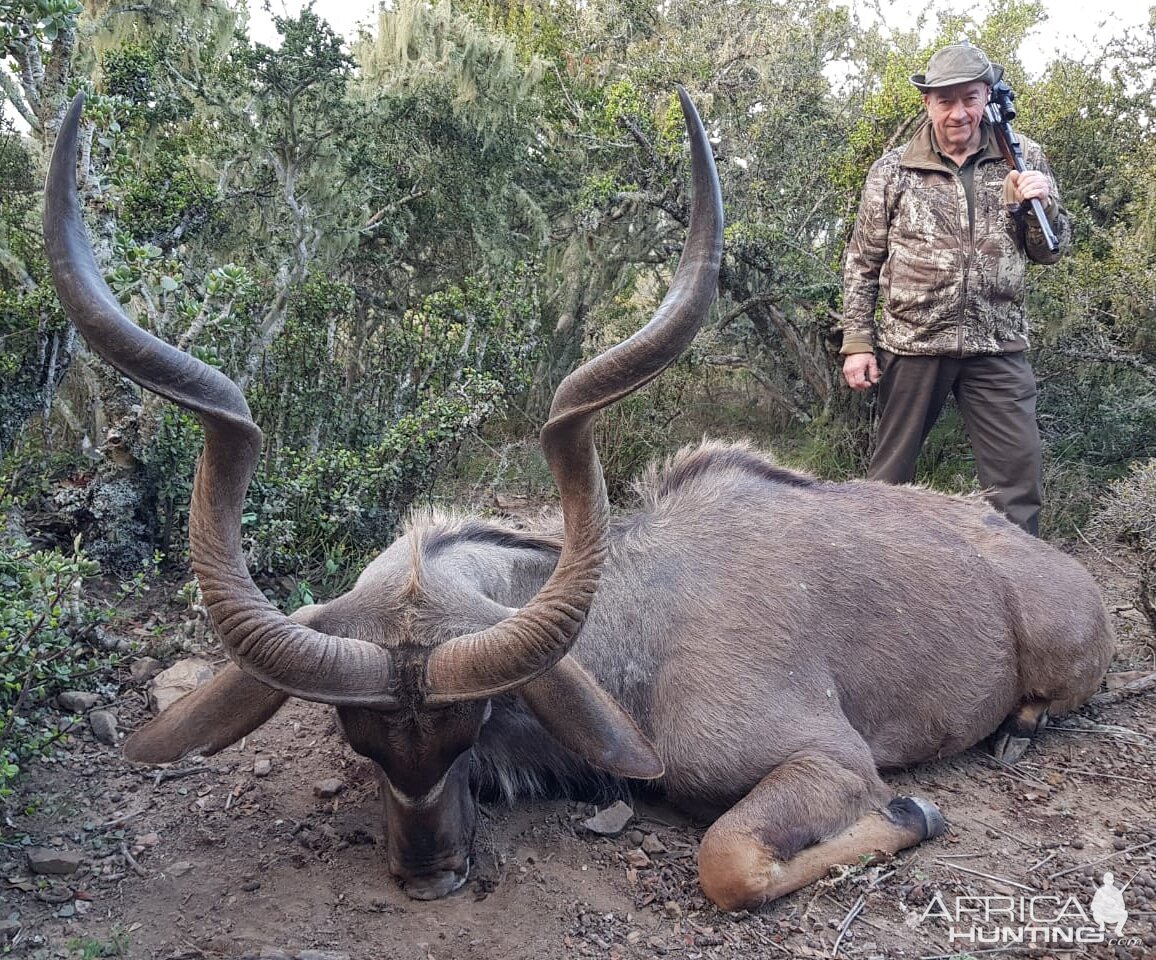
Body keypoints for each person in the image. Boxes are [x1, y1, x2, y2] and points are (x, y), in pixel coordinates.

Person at [841, 41, 1070, 536]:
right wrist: (857, 343)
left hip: (997, 345)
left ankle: (1020, 598)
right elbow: (862, 262)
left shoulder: (1023, 156)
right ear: (927, 103)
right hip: (914, 343)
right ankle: (878, 587)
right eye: (946, 101)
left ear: (987, 96)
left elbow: (1050, 251)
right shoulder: (892, 169)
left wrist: (1035, 207)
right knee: (887, 486)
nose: (959, 112)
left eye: (970, 98)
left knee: (1017, 489)